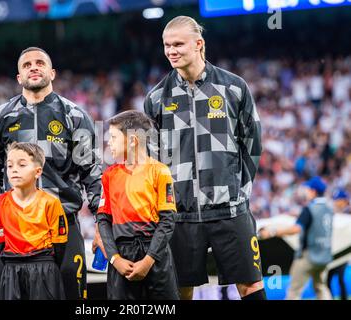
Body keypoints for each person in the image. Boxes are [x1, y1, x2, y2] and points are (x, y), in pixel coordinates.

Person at [144, 16, 265, 300]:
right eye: (166, 45)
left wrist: (237, 192)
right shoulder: (156, 97)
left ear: (199, 44)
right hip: (180, 216)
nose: (171, 51)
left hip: (230, 210)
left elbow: (252, 145)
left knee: (251, 286)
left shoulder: (233, 88)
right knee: (178, 291)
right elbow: (152, 159)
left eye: (178, 44)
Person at [0, 47, 102, 300]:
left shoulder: (75, 116)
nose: (33, 67)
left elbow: (91, 172)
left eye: (39, 63)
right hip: (13, 228)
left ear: (52, 73)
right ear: (18, 77)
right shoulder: (0, 116)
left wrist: (103, 224)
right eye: (26, 65)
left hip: (63, 224)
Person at [97, 110, 179, 299]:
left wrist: (149, 259)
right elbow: (103, 220)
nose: (109, 142)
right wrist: (115, 259)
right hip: (121, 254)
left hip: (155, 254)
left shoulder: (160, 171)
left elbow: (168, 220)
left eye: (113, 137)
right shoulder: (109, 175)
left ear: (133, 140)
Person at [0, 142, 67, 300]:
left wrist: (45, 265)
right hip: (11, 270)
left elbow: (60, 244)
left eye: (22, 164)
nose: (14, 169)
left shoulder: (51, 203)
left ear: (38, 171)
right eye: (10, 166)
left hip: (45, 268)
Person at [260, 176, 333, 300]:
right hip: (324, 255)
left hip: (309, 256)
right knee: (321, 287)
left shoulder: (309, 209)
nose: (306, 191)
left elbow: (296, 229)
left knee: (294, 291)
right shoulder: (328, 209)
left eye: (308, 189)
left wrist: (273, 231)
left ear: (313, 191)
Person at [326, 188, 349, 300]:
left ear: (344, 200)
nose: (336, 202)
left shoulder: (348, 213)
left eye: (338, 199)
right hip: (332, 251)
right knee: (327, 279)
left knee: (341, 278)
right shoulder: (331, 214)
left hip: (343, 252)